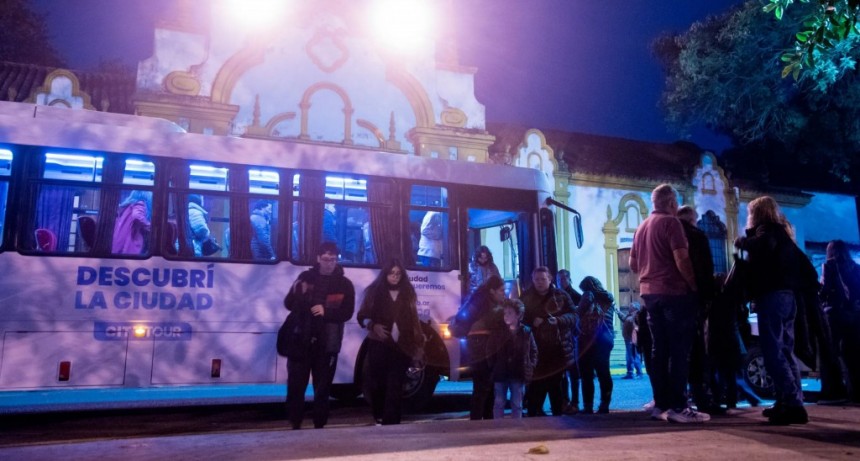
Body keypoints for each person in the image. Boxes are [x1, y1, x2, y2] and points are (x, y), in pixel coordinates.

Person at [629, 184, 708, 423]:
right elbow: (681, 259)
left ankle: (660, 404)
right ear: (672, 202)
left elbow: (633, 264)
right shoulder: (671, 223)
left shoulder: (641, 227)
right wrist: (694, 285)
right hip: (673, 293)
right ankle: (679, 406)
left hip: (649, 295)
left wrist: (649, 271)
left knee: (658, 350)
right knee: (679, 350)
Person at [735, 196, 808, 425]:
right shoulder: (784, 233)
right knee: (785, 350)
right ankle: (787, 401)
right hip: (787, 296)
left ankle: (793, 405)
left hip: (773, 296)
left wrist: (742, 242)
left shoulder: (767, 231)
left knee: (773, 351)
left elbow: (762, 247)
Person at [283, 242, 356, 429]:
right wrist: (299, 291)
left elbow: (347, 313)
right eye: (325, 259)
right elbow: (289, 304)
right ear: (318, 259)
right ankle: (295, 423)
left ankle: (319, 425)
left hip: (328, 343)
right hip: (301, 339)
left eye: (333, 259)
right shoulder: (305, 277)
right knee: (296, 386)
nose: (329, 263)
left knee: (322, 389)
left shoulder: (345, 284)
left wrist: (326, 312)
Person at [356, 259, 425, 425]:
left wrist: (419, 344)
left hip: (402, 345)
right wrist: (373, 326)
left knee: (396, 383)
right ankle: (379, 415)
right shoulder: (374, 292)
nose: (395, 277)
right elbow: (362, 316)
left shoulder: (408, 293)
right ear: (385, 274)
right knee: (378, 382)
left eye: (398, 274)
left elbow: (414, 320)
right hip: (379, 344)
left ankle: (393, 421)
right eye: (392, 273)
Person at [677, 205, 717, 413]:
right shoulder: (696, 236)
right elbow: (705, 268)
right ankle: (702, 398)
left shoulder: (668, 232)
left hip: (669, 297)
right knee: (697, 350)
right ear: (692, 219)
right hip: (692, 297)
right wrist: (705, 295)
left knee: (675, 351)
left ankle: (676, 399)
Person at [521, 266, 576, 417]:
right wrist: (532, 322)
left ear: (550, 279)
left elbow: (573, 315)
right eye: (536, 279)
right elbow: (519, 319)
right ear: (532, 280)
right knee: (535, 384)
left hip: (557, 348)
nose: (539, 282)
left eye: (543, 279)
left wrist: (558, 320)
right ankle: (534, 412)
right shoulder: (526, 297)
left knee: (556, 384)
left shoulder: (561, 296)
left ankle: (558, 413)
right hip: (536, 348)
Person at [450, 274, 507, 420]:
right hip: (481, 346)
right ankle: (478, 421)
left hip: (482, 345)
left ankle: (485, 420)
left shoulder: (484, 300)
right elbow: (469, 319)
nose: (504, 293)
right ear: (492, 291)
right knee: (483, 386)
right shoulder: (484, 302)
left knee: (486, 387)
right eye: (501, 290)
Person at [821, 239, 860, 403]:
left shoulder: (829, 265)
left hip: (834, 313)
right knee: (853, 354)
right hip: (854, 314)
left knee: (831, 353)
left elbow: (826, 289)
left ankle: (834, 391)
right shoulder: (856, 267)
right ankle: (856, 392)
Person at [488, 299, 538, 419]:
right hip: (501, 372)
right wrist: (494, 366)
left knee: (517, 403)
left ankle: (516, 429)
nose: (506, 316)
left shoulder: (526, 331)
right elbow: (490, 350)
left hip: (518, 372)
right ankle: (498, 428)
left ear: (518, 315)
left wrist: (530, 364)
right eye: (505, 313)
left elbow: (533, 350)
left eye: (509, 313)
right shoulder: (498, 331)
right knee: (499, 402)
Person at [577, 276, 616, 414]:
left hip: (588, 339)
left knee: (586, 374)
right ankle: (604, 404)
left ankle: (588, 406)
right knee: (604, 372)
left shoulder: (587, 296)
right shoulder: (609, 298)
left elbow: (578, 313)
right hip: (606, 338)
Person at [557, 269, 583, 414]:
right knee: (563, 375)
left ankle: (574, 402)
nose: (560, 282)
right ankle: (565, 401)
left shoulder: (575, 296)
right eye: (559, 279)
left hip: (572, 338)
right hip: (563, 339)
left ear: (568, 279)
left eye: (563, 279)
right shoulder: (555, 296)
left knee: (573, 373)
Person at [112, 190, 152, 255]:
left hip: (121, 237)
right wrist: (149, 225)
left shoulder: (128, 205)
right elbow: (137, 216)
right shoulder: (140, 203)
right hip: (131, 238)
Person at [618, 302, 643, 380]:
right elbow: (624, 319)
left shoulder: (636, 315)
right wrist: (618, 312)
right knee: (629, 357)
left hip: (633, 340)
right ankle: (630, 373)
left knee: (634, 357)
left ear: (635, 307)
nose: (629, 307)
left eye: (631, 306)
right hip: (628, 339)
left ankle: (639, 373)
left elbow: (638, 328)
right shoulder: (631, 315)